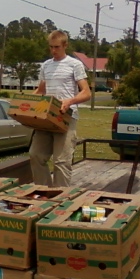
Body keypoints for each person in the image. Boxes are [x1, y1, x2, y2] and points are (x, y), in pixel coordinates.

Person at [29, 30, 91, 187]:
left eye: (56, 47)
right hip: (46, 117)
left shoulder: (74, 64)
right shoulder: (46, 65)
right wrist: (27, 101)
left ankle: (60, 198)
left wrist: (70, 101)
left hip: (66, 117)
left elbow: (86, 92)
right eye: (51, 47)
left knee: (61, 161)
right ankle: (43, 193)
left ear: (65, 45)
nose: (53, 50)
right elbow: (41, 90)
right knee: (35, 155)